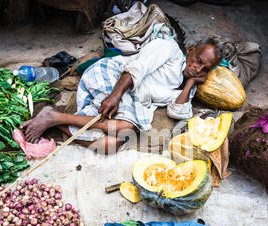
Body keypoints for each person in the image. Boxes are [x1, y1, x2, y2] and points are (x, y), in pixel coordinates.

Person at [21, 37, 222, 154]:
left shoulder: (190, 85)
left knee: (111, 145)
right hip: (114, 75)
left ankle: (55, 121)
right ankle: (54, 116)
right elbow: (136, 67)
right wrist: (115, 95)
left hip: (131, 100)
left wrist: (190, 83)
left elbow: (178, 111)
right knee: (126, 126)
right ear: (190, 50)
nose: (198, 68)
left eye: (205, 68)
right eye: (198, 60)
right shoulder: (168, 48)